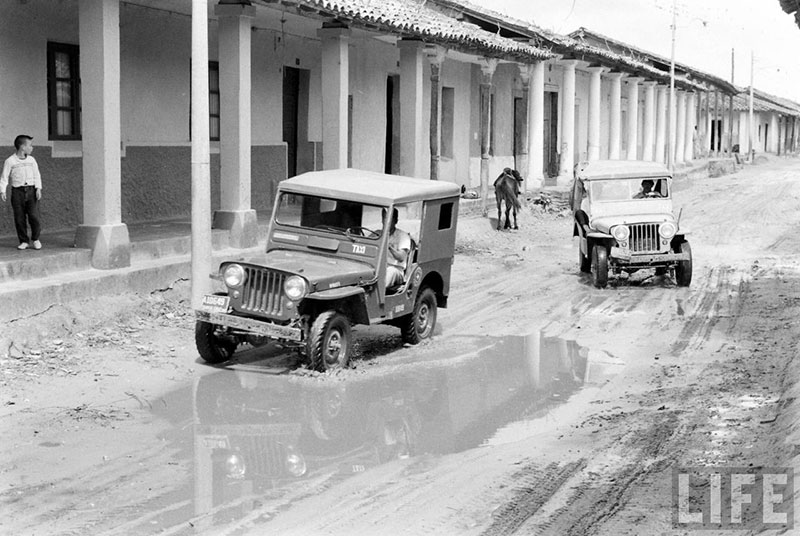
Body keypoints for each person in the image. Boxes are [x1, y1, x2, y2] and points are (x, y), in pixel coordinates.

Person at [1, 135, 43, 250]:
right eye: (30, 145)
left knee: (34, 216)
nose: (32, 148)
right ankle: (24, 240)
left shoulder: (31, 160)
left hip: (31, 190)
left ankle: (35, 238)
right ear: (22, 147)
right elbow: (4, 177)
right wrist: (2, 191)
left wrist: (38, 188)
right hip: (17, 192)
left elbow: (37, 175)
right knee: (19, 218)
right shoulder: (10, 161)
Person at [385, 208, 411, 290]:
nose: (386, 221)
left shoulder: (403, 236)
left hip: (396, 269)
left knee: (390, 272)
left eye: (389, 218)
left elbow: (401, 257)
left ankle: (378, 293)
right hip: (378, 267)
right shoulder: (378, 234)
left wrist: (389, 247)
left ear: (395, 221)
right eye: (384, 218)